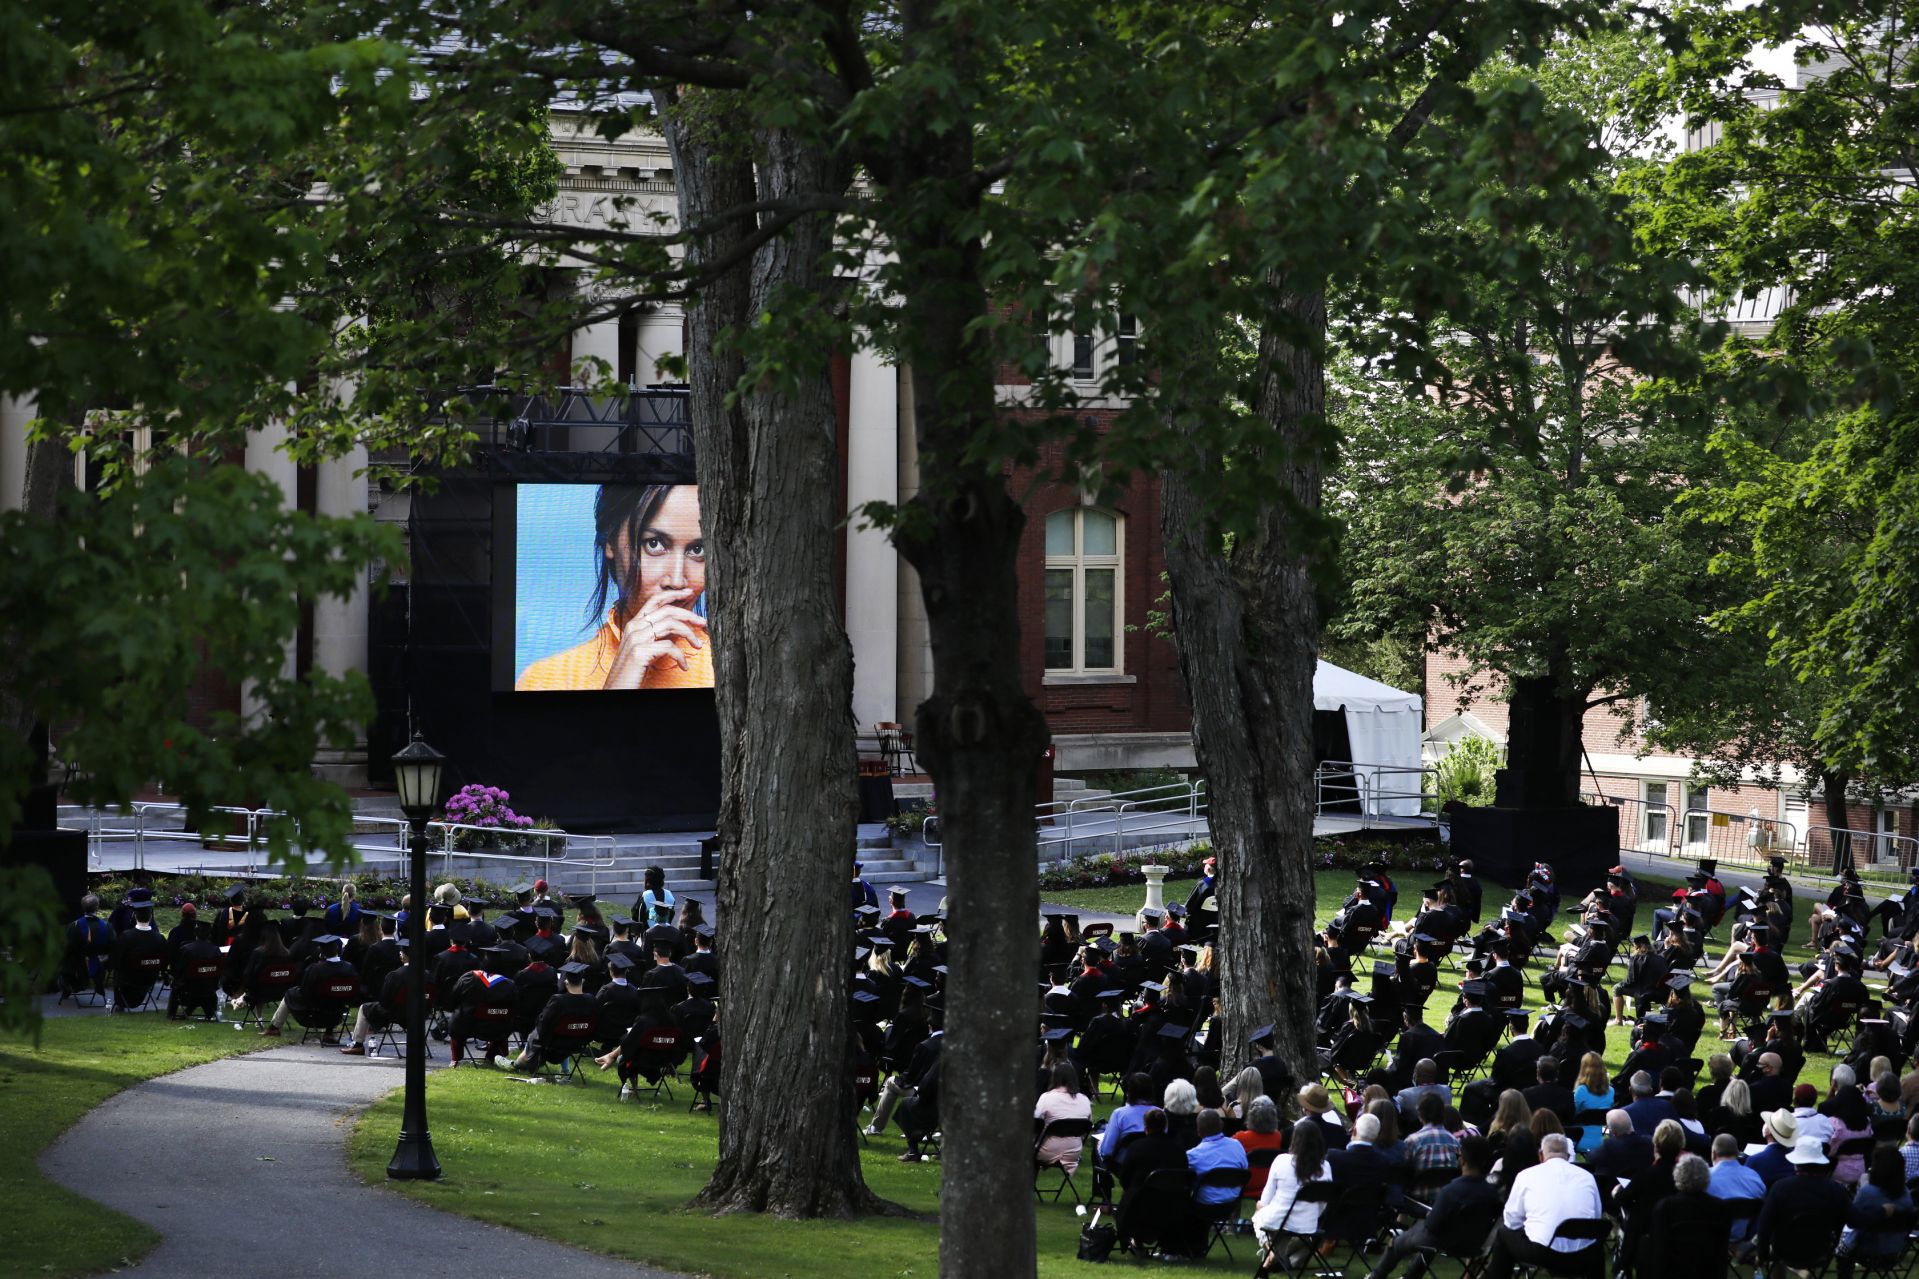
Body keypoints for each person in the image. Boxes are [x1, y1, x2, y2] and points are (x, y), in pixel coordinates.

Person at [514, 483, 711, 690]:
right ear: (610, 541)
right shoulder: (545, 680)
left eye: (698, 549)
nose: (677, 580)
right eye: (654, 544)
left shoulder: (733, 670)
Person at [1364, 1133, 1499, 1279]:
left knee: (1396, 1243)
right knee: (1422, 1231)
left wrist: (1431, 1216)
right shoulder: (1492, 1192)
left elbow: (1433, 1225)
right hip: (1475, 1243)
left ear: (1462, 1160)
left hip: (1445, 1240)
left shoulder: (1451, 1191)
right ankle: (1412, 1275)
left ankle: (1376, 1276)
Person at [1482, 1132, 1602, 1279]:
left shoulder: (1527, 1175)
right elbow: (1596, 1216)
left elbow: (1511, 1220)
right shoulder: (1587, 1177)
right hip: (1585, 1254)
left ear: (1541, 1155)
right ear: (1569, 1154)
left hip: (1544, 1253)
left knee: (1503, 1234)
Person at [1754, 1137, 1852, 1273]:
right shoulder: (1835, 1189)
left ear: (1796, 1163)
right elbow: (1851, 1219)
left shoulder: (1780, 1188)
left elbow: (1765, 1224)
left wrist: (1761, 1254)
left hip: (1784, 1251)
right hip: (1820, 1250)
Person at [494, 962, 597, 1073]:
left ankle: (515, 1065)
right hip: (576, 1045)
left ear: (566, 982)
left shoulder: (558, 1001)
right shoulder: (591, 1000)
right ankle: (565, 1069)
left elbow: (542, 1023)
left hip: (551, 1047)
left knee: (535, 1034)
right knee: (565, 1029)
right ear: (583, 981)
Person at [1253, 1117, 1334, 1258]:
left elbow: (1266, 1199)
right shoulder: (1325, 1167)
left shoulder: (1281, 1161)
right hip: (1308, 1224)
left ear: (1295, 1139)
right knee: (1286, 1226)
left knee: (1258, 1214)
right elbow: (1323, 1203)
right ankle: (1283, 1257)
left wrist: (1261, 1206)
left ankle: (1271, 1253)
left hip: (1279, 1219)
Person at [1644, 1154, 1730, 1279]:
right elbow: (1721, 1254)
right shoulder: (1720, 1207)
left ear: (1678, 1176)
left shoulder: (1665, 1207)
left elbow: (1658, 1251)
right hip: (1707, 1271)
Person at [1837, 1145, 1916, 1279]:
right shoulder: (1906, 1196)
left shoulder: (1867, 1193)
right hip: (1893, 1253)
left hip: (1865, 1252)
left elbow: (1853, 1222)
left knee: (1842, 1247)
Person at [1034, 1061, 1093, 1174]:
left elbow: (1035, 1122)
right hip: (1074, 1152)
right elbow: (1087, 1127)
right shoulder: (1084, 1100)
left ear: (1054, 1078)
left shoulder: (1047, 1098)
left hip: (1047, 1150)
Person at [1708, 1132, 1767, 1243]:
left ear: (1713, 1154)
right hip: (1745, 1245)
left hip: (1712, 1243)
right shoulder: (1755, 1179)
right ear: (1737, 1153)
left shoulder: (1703, 1179)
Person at [1233, 1095, 1288, 1197]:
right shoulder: (1278, 1136)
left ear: (1251, 1116)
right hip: (1267, 1186)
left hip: (1243, 1186)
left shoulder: (1240, 1138)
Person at [1571, 1051, 1615, 1154]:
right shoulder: (1611, 1091)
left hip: (1581, 1139)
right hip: (1604, 1137)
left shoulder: (1581, 1091)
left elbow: (1572, 1114)